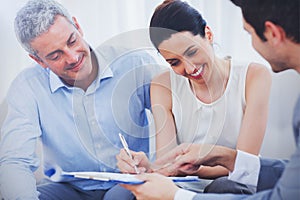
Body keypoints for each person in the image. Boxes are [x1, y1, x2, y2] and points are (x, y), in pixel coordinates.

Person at [121, 0, 300, 199]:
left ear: (208, 34)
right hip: (182, 183)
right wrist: (150, 167)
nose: (189, 69)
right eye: (174, 62)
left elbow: (245, 164)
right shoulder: (162, 85)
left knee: (223, 186)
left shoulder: (254, 76)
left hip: (229, 185)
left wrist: (190, 169)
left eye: (192, 52)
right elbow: (167, 162)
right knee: (122, 195)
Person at [0, 0, 160, 199]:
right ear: (39, 61)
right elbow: (15, 161)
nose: (73, 57)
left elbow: (177, 117)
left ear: (77, 26)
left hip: (127, 182)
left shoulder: (134, 63)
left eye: (72, 41)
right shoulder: (27, 87)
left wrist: (158, 167)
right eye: (56, 55)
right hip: (67, 188)